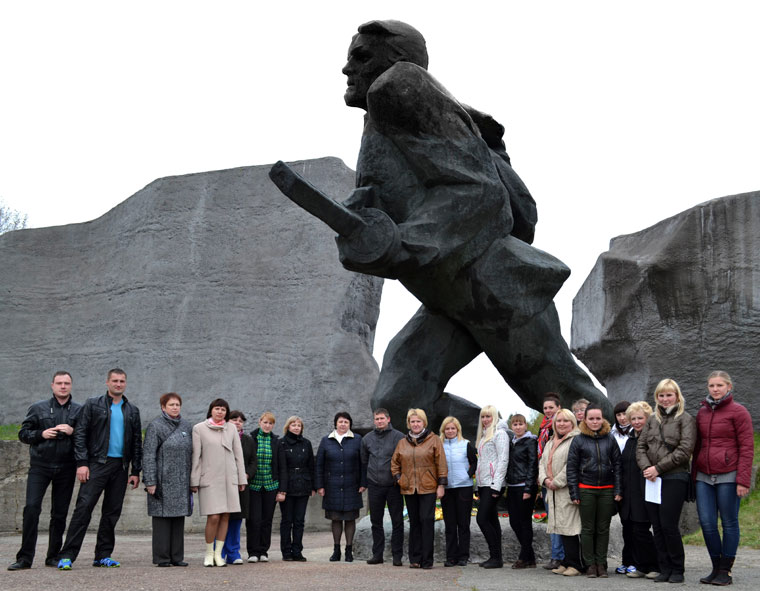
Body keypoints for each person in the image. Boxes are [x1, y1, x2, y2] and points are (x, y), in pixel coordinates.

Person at [313, 19, 610, 434]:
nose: (348, 69)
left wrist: (406, 239)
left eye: (361, 57)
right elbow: (396, 204)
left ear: (398, 61)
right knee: (397, 402)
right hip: (446, 296)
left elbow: (479, 190)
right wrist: (362, 222)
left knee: (566, 397)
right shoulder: (377, 119)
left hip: (492, 287)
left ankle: (627, 467)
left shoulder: (397, 88)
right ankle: (503, 445)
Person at [56, 368, 142, 570]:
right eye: (115, 380)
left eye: (122, 381)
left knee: (112, 512)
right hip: (96, 464)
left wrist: (135, 471)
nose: (118, 384)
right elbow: (80, 434)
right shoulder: (93, 404)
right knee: (83, 509)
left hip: (120, 467)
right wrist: (82, 463)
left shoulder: (132, 410)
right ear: (107, 382)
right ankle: (67, 555)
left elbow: (137, 443)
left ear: (125, 383)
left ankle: (103, 555)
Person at [8, 371, 81, 571]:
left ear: (71, 386)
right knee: (31, 509)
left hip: (66, 467)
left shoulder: (79, 411)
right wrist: (42, 434)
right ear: (52, 385)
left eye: (67, 383)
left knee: (59, 514)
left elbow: (86, 438)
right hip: (40, 466)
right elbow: (23, 434)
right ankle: (24, 558)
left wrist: (72, 432)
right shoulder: (38, 408)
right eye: (59, 383)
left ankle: (53, 556)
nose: (63, 386)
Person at [693, 371, 754, 585]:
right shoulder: (702, 413)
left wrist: (743, 480)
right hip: (703, 476)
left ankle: (725, 571)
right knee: (707, 523)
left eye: (719, 385)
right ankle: (715, 568)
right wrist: (694, 477)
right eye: (711, 385)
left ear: (729, 387)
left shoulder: (739, 412)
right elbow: (697, 445)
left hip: (729, 475)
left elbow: (747, 447)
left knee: (729, 522)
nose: (715, 389)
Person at [636, 378, 696, 584]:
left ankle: (677, 568)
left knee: (669, 525)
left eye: (669, 395)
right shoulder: (652, 420)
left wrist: (658, 468)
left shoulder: (686, 419)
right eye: (661, 395)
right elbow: (641, 447)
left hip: (674, 477)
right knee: (657, 526)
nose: (665, 399)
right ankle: (664, 568)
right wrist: (647, 468)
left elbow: (685, 450)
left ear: (677, 396)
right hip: (651, 479)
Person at [566, 404, 622, 578]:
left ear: (603, 419)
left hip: (606, 489)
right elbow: (572, 468)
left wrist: (618, 489)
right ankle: (590, 564)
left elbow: (618, 466)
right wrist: (574, 492)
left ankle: (602, 564)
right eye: (591, 418)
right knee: (588, 528)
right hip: (586, 489)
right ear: (585, 419)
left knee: (603, 528)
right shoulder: (578, 439)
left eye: (598, 418)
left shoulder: (610, 438)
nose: (595, 421)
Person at [190, 398, 247, 567]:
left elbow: (239, 455)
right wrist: (194, 480)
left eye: (223, 409)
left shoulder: (231, 429)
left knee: (226, 516)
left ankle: (218, 555)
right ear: (211, 410)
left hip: (229, 479)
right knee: (213, 516)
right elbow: (196, 457)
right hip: (210, 479)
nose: (220, 411)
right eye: (217, 408)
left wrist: (241, 479)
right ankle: (208, 553)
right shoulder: (199, 428)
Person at [391, 408, 447, 569]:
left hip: (428, 487)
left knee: (426, 521)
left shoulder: (434, 439)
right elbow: (394, 463)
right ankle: (415, 558)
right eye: (412, 421)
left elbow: (441, 463)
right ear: (409, 423)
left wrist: (441, 485)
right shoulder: (402, 442)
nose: (415, 424)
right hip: (409, 488)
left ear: (424, 422)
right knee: (414, 522)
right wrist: (399, 479)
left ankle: (427, 560)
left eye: (418, 421)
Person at [142, 393, 193, 567]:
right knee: (162, 520)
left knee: (178, 519)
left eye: (177, 404)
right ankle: (162, 557)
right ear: (163, 407)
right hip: (162, 481)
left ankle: (177, 556)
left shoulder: (186, 426)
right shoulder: (156, 426)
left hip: (182, 481)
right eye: (171, 404)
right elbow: (148, 455)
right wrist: (150, 481)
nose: (175, 407)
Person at [315, 411, 366, 562]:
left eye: (346, 422)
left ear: (350, 424)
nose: (343, 424)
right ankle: (336, 550)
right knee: (335, 519)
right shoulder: (326, 440)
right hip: (332, 486)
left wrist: (363, 483)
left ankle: (349, 550)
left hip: (352, 485)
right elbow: (319, 465)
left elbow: (363, 463)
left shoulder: (357, 440)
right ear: (335, 423)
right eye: (340, 422)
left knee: (350, 519)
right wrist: (320, 485)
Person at [538, 409, 583, 576]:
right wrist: (544, 480)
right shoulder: (551, 441)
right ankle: (565, 561)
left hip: (565, 490)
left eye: (566, 421)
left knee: (570, 528)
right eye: (558, 421)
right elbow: (542, 463)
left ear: (572, 423)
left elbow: (573, 465)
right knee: (560, 527)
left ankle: (575, 565)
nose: (562, 424)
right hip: (552, 490)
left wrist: (556, 482)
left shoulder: (575, 440)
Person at [619, 401, 659, 579]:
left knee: (642, 530)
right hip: (629, 492)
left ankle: (654, 565)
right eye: (633, 418)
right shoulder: (630, 440)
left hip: (645, 490)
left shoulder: (652, 438)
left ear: (647, 418)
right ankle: (640, 564)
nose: (636, 422)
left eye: (640, 418)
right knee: (632, 530)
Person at [361, 407, 405, 565]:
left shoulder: (400, 437)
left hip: (393, 486)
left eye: (382, 418)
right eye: (376, 419)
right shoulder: (367, 439)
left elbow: (403, 461)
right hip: (375, 485)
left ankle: (397, 555)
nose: (379, 421)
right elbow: (364, 461)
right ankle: (377, 554)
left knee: (397, 521)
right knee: (376, 521)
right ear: (374, 420)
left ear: (388, 419)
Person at [245, 412, 286, 563]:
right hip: (254, 486)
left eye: (270, 423)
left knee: (267, 520)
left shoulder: (276, 441)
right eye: (265, 422)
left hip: (270, 486)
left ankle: (263, 551)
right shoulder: (251, 438)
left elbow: (281, 467)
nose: (267, 425)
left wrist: (282, 489)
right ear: (259, 422)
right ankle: (253, 552)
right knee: (254, 520)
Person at [439, 415, 477, 567]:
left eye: (453, 428)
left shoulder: (466, 444)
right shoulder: (439, 444)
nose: (450, 431)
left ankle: (463, 556)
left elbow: (474, 462)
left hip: (463, 488)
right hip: (447, 488)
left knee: (463, 524)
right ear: (443, 430)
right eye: (447, 428)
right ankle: (451, 556)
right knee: (450, 525)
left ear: (457, 429)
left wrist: (468, 475)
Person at [474, 405, 508, 569]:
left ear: (495, 417)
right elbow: (482, 461)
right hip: (483, 483)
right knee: (492, 520)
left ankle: (495, 556)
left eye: (488, 416)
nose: (485, 420)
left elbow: (503, 460)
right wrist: (477, 484)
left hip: (493, 484)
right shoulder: (483, 436)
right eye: (483, 417)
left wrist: (496, 485)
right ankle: (496, 558)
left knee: (482, 518)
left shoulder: (500, 434)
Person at [279, 415, 315, 562]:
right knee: (287, 520)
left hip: (303, 485)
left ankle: (297, 551)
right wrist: (281, 489)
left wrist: (312, 485)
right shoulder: (281, 443)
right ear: (288, 427)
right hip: (287, 486)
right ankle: (286, 552)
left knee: (299, 521)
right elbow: (280, 467)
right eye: (293, 425)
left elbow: (311, 465)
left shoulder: (307, 443)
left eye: (299, 425)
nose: (296, 427)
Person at [221, 411, 255, 565]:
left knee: (236, 519)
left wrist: (246, 475)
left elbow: (253, 462)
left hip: (241, 485)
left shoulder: (248, 440)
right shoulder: (220, 436)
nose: (238, 422)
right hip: (222, 484)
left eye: (241, 420)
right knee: (221, 518)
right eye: (234, 419)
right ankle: (219, 552)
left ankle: (233, 552)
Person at [505, 413, 538, 569]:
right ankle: (530, 556)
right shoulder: (512, 443)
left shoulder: (530, 442)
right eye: (515, 424)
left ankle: (524, 557)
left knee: (525, 523)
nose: (518, 427)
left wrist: (529, 488)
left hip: (524, 486)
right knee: (514, 521)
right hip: (512, 486)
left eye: (520, 424)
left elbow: (533, 465)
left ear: (525, 425)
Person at [537, 392, 564, 570]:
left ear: (559, 408)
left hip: (560, 480)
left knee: (562, 519)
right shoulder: (543, 427)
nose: (548, 411)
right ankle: (556, 556)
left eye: (551, 408)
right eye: (545, 408)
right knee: (552, 519)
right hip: (546, 479)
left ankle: (561, 556)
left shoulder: (561, 426)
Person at [609, 400, 634, 575]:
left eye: (625, 414)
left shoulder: (637, 432)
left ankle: (636, 560)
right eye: (619, 415)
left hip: (633, 482)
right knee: (626, 524)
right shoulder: (612, 434)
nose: (622, 418)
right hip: (616, 482)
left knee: (635, 524)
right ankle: (627, 560)